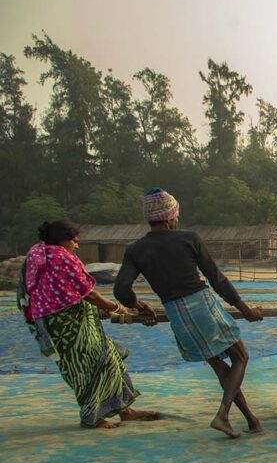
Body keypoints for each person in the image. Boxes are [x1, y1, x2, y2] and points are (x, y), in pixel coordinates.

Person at [114, 188, 263, 439]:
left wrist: (139, 306)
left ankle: (251, 419)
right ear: (170, 217)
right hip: (202, 307)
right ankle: (223, 415)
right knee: (240, 357)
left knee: (221, 369)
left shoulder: (135, 250)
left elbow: (121, 290)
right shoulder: (188, 238)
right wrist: (245, 309)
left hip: (177, 316)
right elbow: (217, 279)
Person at [17, 220, 160, 429]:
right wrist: (115, 307)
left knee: (109, 357)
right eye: (74, 241)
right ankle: (92, 417)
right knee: (87, 367)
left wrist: (100, 310)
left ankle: (125, 411)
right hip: (69, 325)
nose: (76, 246)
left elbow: (57, 292)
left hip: (59, 322)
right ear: (62, 240)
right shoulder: (61, 257)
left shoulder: (38, 254)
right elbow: (88, 293)